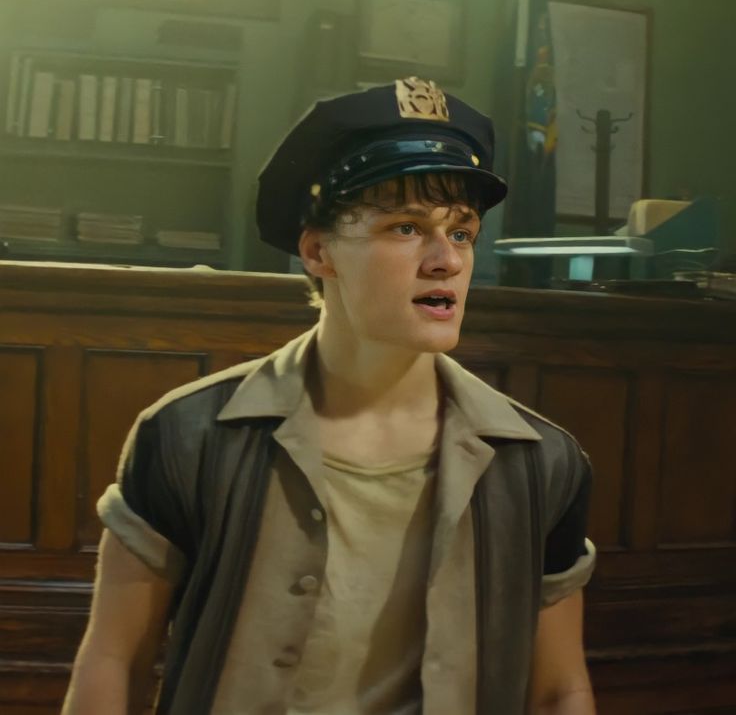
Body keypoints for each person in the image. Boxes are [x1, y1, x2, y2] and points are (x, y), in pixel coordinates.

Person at [63, 76, 596, 715]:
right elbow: (113, 663)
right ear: (319, 252)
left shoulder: (539, 462)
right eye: (405, 227)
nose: (445, 261)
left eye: (461, 232)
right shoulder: (190, 435)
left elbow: (560, 689)